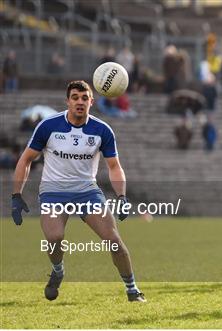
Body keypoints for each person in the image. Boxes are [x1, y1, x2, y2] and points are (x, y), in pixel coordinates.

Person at [11, 81, 145, 302]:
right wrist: (16, 195)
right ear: (68, 101)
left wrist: (121, 196)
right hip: (53, 191)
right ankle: (58, 271)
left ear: (91, 102)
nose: (80, 102)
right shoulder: (48, 126)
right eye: (75, 97)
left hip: (87, 191)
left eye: (84, 98)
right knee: (54, 237)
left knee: (114, 241)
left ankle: (132, 289)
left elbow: (114, 166)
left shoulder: (102, 130)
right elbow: (25, 160)